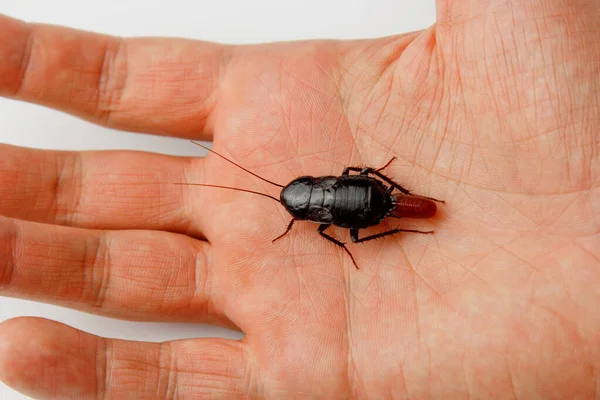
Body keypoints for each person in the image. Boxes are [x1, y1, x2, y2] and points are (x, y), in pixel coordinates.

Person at [0, 0, 598, 397]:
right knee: (359, 200)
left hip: (364, 198)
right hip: (364, 194)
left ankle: (401, 213)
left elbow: (337, 211)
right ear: (308, 202)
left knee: (359, 208)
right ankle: (399, 212)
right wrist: (382, 191)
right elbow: (348, 183)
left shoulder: (314, 217)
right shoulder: (316, 198)